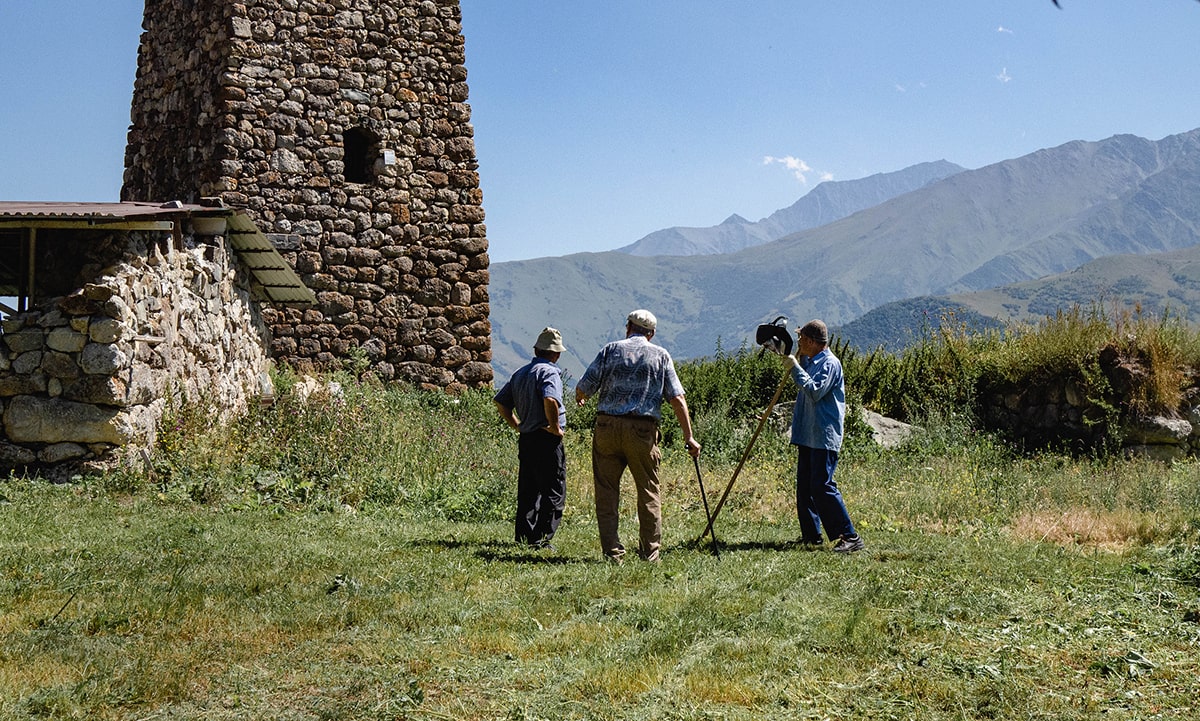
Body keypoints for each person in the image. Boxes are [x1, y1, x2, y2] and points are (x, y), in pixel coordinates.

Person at [575, 309, 701, 563]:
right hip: (642, 431)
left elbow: (583, 387)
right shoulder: (661, 356)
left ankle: (612, 553)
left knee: (607, 491)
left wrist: (581, 398)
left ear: (628, 327)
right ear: (651, 333)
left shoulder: (610, 350)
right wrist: (689, 436)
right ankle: (649, 553)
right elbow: (677, 398)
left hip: (607, 427)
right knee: (647, 491)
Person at [781, 319, 864, 553]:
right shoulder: (809, 360)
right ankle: (811, 535)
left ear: (810, 341)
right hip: (808, 433)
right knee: (805, 487)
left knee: (822, 486)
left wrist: (795, 368)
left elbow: (816, 391)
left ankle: (849, 536)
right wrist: (795, 362)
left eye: (800, 338)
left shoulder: (830, 364)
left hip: (824, 435)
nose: (798, 342)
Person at [494, 327, 568, 550]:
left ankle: (524, 536)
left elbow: (501, 402)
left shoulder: (521, 373)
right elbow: (550, 400)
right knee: (554, 490)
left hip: (527, 438)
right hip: (546, 439)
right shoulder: (549, 372)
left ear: (536, 350)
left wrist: (517, 425)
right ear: (555, 354)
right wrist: (555, 428)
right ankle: (541, 539)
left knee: (528, 490)